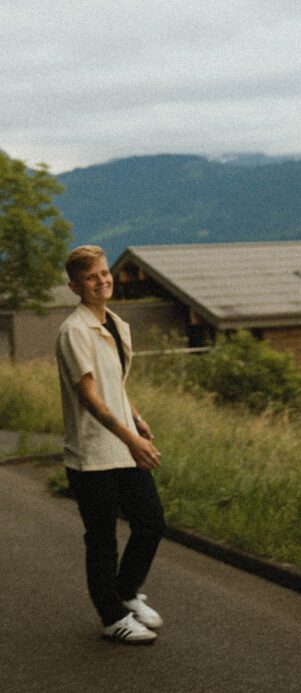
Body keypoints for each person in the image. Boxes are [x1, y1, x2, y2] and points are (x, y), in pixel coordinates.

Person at [56, 245, 166, 644]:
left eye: (104, 273)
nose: (102, 280)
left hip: (122, 443)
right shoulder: (74, 331)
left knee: (151, 523)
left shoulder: (117, 324)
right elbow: (89, 396)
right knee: (101, 538)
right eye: (91, 277)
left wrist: (136, 417)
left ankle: (125, 592)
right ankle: (111, 617)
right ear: (75, 286)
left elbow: (113, 385)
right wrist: (131, 438)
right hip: (92, 453)